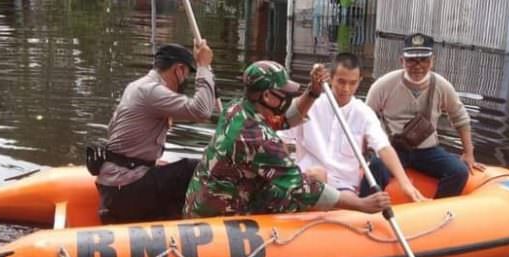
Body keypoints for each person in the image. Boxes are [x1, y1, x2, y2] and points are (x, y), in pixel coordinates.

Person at [183, 60, 390, 219]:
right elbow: (303, 187)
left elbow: (284, 120)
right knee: (314, 180)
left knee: (313, 175)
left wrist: (313, 92)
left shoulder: (237, 108)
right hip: (222, 213)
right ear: (266, 96)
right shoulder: (257, 138)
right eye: (282, 93)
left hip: (203, 199)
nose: (287, 97)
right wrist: (361, 205)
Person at [95, 40, 216, 224]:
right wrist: (204, 67)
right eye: (187, 75)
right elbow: (202, 111)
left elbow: (113, 129)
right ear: (179, 70)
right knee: (195, 168)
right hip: (126, 189)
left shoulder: (137, 86)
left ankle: (168, 218)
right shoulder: (152, 91)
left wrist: (146, 162)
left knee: (171, 169)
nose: (186, 82)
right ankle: (202, 225)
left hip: (117, 185)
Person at [280, 53, 426, 202]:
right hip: (307, 178)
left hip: (344, 186)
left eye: (352, 83)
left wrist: (405, 183)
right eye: (341, 82)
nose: (346, 89)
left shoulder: (363, 113)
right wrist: (285, 172)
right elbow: (281, 139)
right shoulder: (309, 105)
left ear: (360, 81)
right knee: (317, 174)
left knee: (374, 169)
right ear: (330, 78)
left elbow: (383, 147)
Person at [365, 33, 484, 198]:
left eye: (424, 60)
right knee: (376, 167)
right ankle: (364, 211)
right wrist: (366, 151)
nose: (418, 66)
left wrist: (468, 153)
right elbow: (365, 119)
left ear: (432, 61)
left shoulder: (442, 86)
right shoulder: (383, 86)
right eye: (412, 60)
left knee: (458, 172)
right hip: (393, 149)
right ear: (402, 61)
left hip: (428, 150)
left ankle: (438, 211)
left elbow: (460, 118)